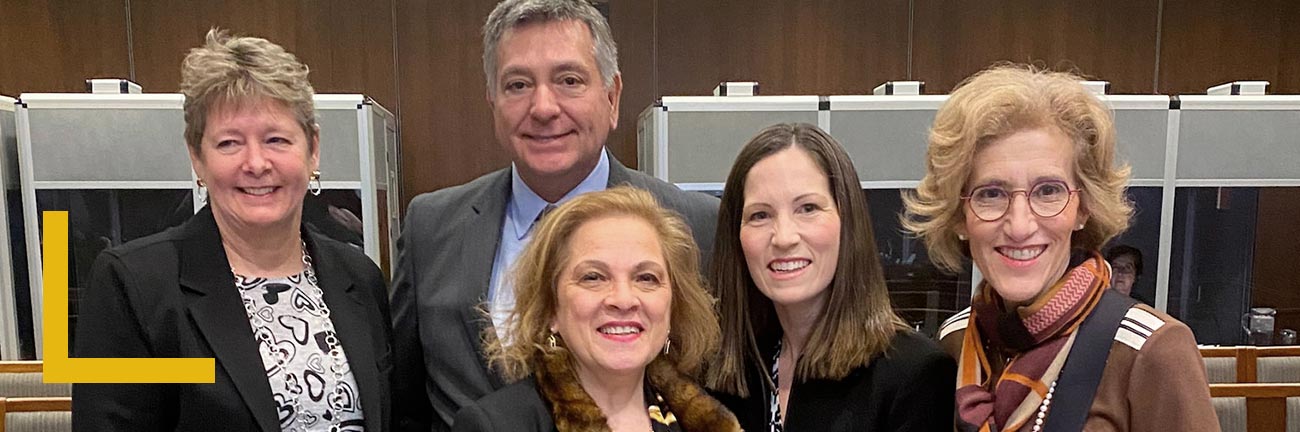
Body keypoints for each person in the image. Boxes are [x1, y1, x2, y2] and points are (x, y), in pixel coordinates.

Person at [389, 1, 718, 430]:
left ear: (612, 96)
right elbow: (403, 406)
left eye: (569, 80)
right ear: (493, 101)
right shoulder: (430, 228)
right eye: (518, 84)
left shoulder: (696, 226)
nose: (543, 107)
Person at [71, 29, 393, 432]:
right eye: (229, 143)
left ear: (313, 149)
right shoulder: (133, 287)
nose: (256, 163)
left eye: (276, 139)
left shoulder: (359, 277)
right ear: (197, 157)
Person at [903, 65, 1216, 431]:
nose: (1020, 225)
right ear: (959, 216)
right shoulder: (956, 340)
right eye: (991, 194)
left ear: (1084, 207)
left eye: (1049, 191)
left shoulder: (1150, 350)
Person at [705, 123, 956, 431]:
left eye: (808, 208)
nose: (784, 237)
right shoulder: (728, 375)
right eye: (760, 215)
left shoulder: (914, 375)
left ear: (847, 221)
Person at [451, 187, 739, 431]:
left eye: (646, 278)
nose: (623, 299)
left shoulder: (708, 420)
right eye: (593, 277)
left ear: (674, 305)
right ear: (551, 308)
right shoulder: (496, 425)